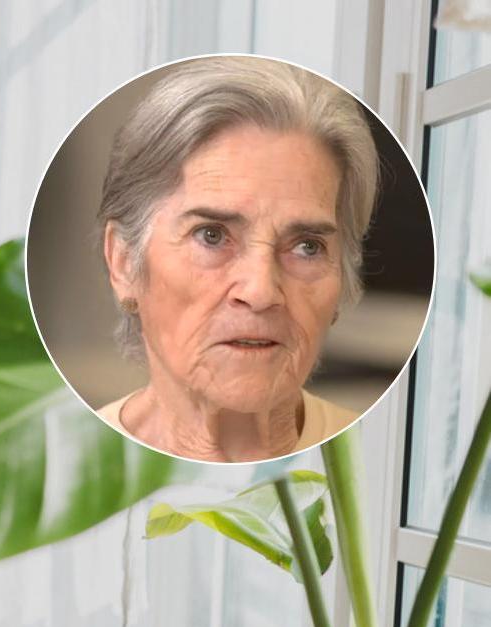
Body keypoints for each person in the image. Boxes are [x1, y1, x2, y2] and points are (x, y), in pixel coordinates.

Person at [94, 56, 376, 462]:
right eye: (211, 236)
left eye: (307, 246)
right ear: (123, 262)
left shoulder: (378, 464)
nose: (261, 291)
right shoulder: (54, 475)